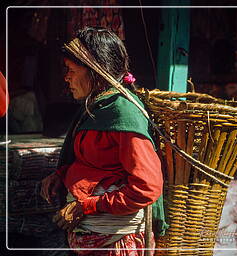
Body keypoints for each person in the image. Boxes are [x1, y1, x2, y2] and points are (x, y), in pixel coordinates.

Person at [40, 26, 165, 256]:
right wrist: (62, 175)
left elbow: (147, 187)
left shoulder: (124, 115)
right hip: (91, 241)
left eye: (71, 70)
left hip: (114, 245)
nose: (66, 77)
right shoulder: (96, 107)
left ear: (94, 71)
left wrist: (87, 206)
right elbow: (97, 163)